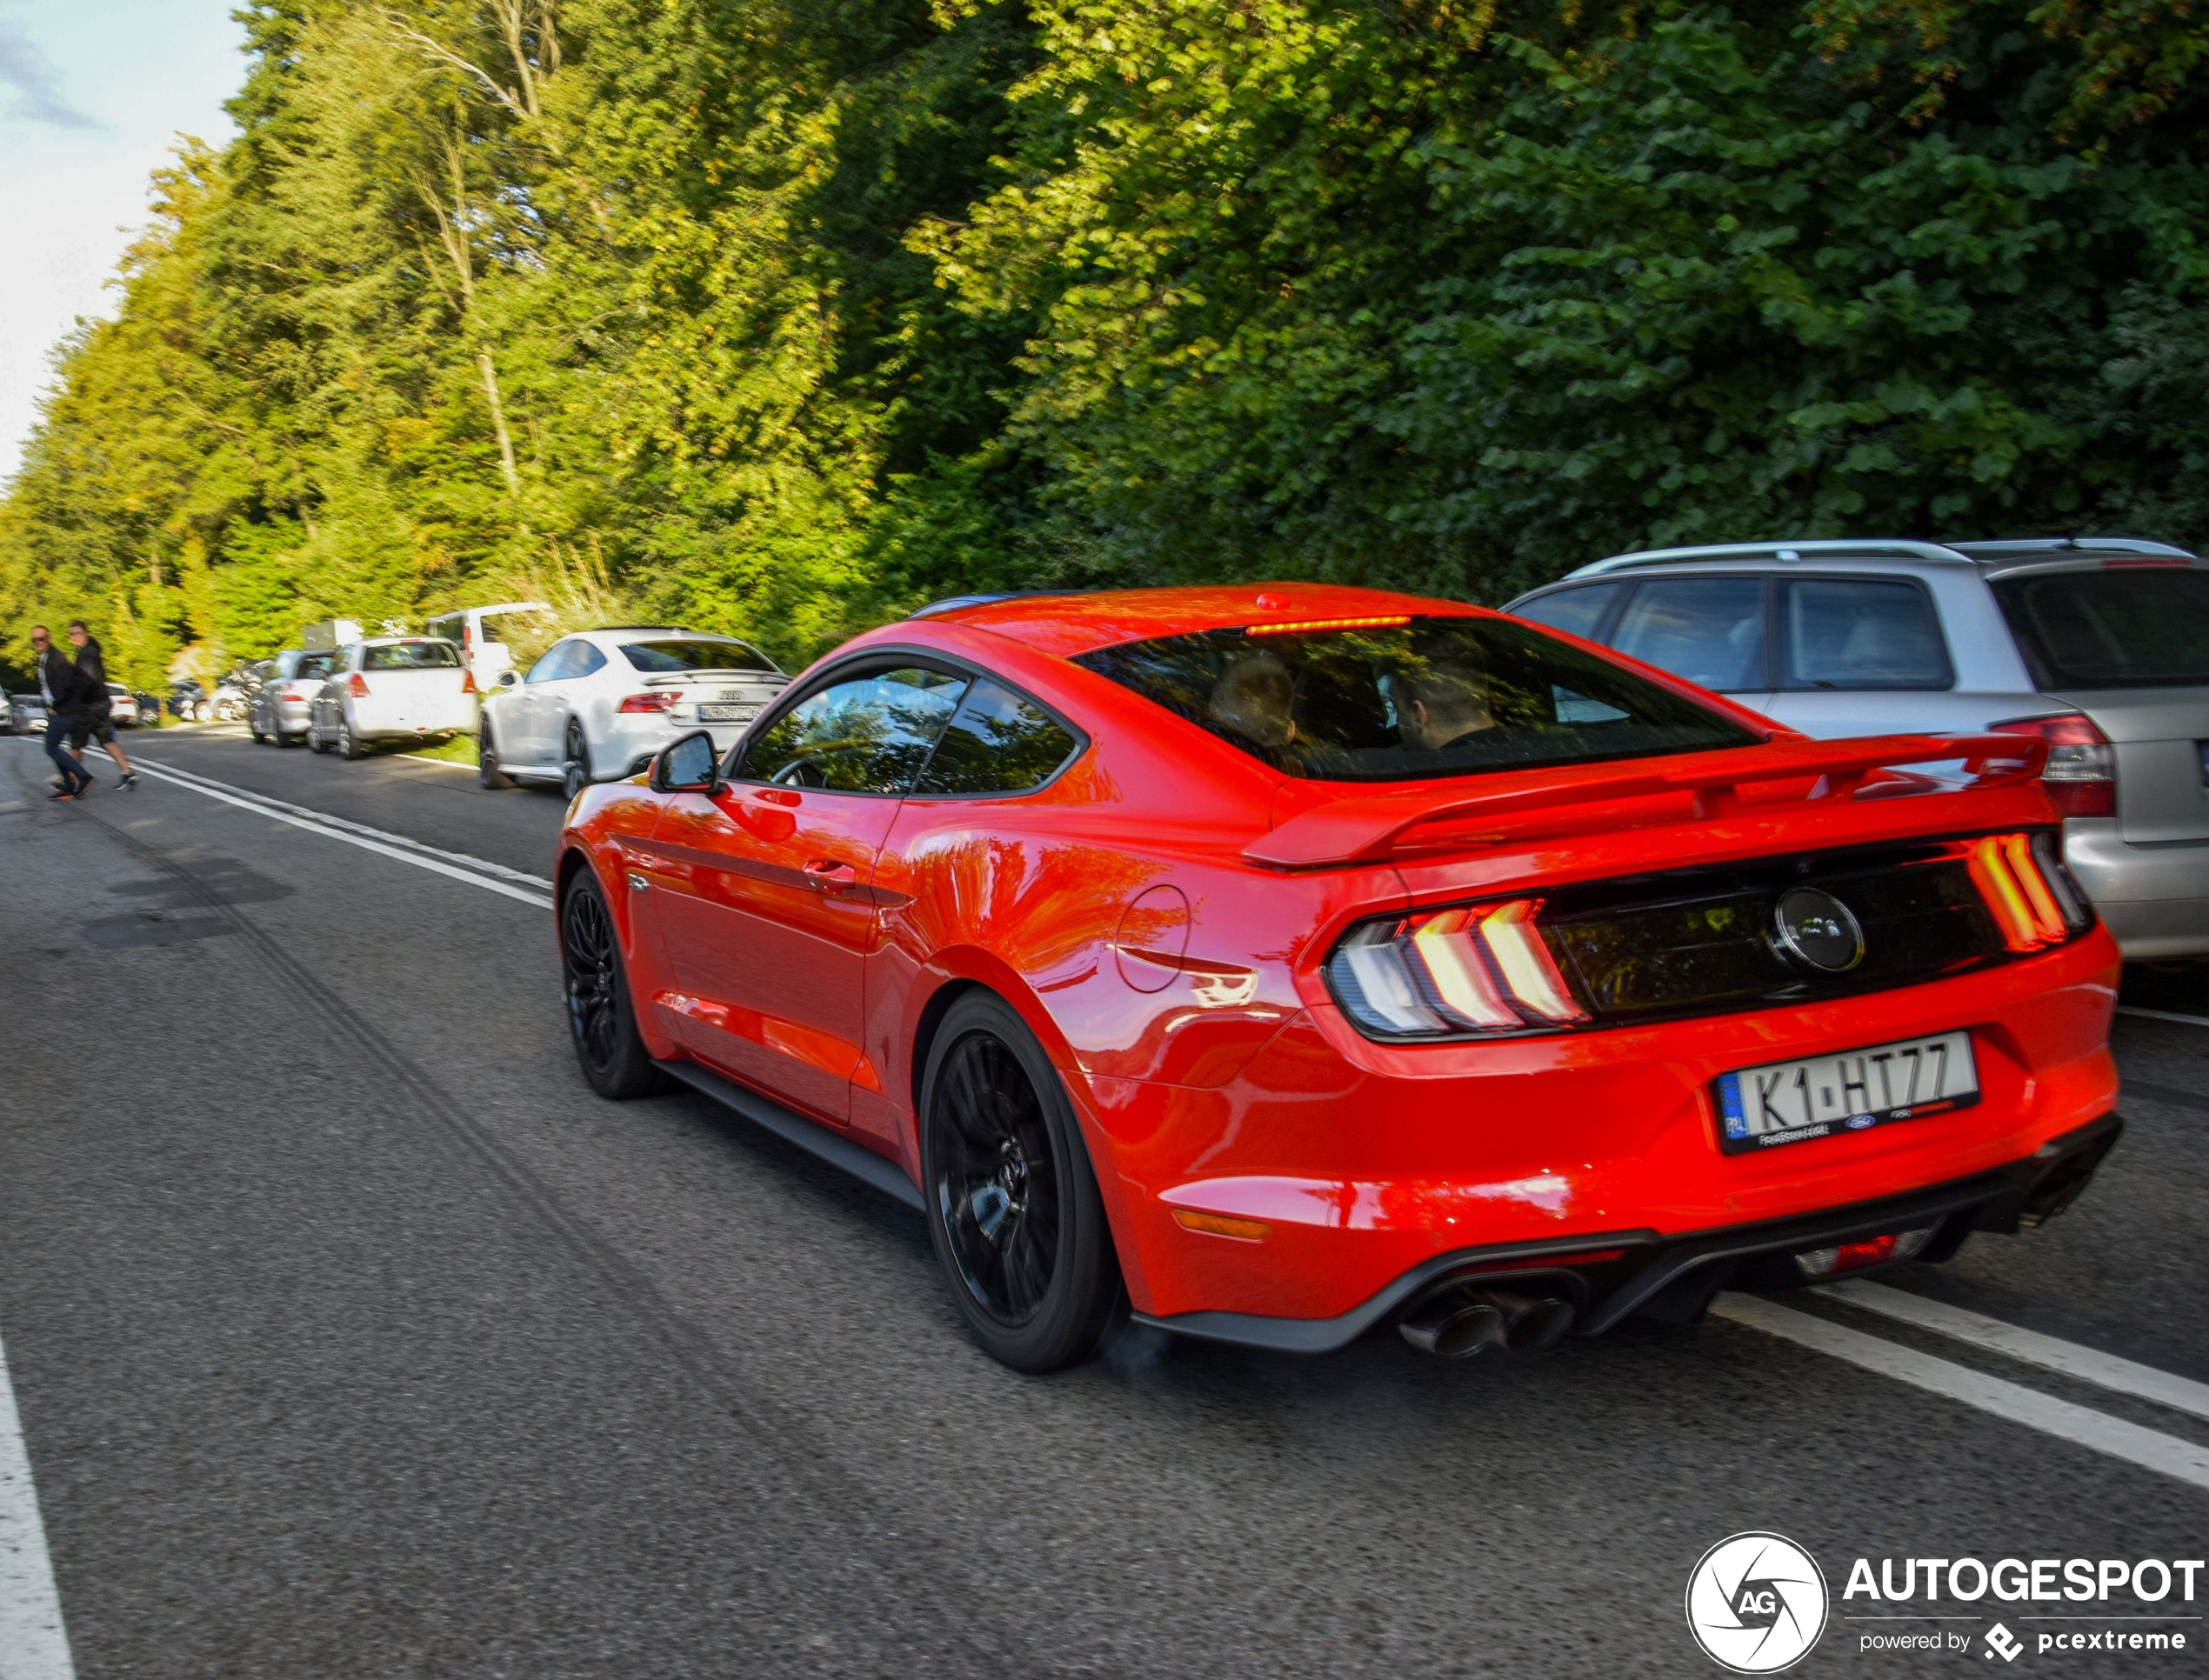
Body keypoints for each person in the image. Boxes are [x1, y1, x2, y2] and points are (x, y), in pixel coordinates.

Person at [66, 620, 136, 790]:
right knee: (107, 739)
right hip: (100, 702)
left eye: (78, 633)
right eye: (72, 634)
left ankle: (72, 781)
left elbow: (85, 681)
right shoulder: (89, 651)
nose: (75, 637)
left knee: (76, 743)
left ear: (86, 633)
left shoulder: (87, 655)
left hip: (89, 706)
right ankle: (128, 773)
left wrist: (73, 700)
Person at [30, 624, 92, 799]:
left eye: (41, 639)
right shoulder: (45, 657)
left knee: (51, 747)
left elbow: (66, 685)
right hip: (57, 709)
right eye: (34, 640)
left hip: (63, 710)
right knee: (52, 747)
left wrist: (55, 706)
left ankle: (83, 777)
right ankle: (70, 784)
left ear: (48, 639)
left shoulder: (57, 658)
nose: (38, 642)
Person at [1391, 659, 1497, 754]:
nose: (1397, 723)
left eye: (1398, 711)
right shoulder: (1511, 752)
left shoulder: (1408, 771)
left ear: (1418, 716)